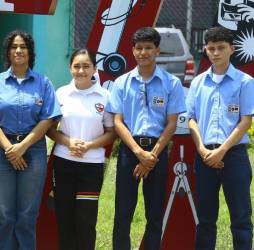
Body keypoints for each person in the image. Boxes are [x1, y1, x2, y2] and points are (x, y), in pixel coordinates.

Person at [0, 30, 61, 250]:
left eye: (23, 46)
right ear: (8, 52)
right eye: (14, 47)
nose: (19, 51)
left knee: (27, 213)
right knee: (4, 213)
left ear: (30, 52)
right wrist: (9, 148)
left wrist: (22, 147)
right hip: (1, 151)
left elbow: (48, 118)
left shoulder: (43, 83)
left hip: (33, 151)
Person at [105, 27, 186, 250]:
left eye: (148, 48)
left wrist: (151, 156)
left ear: (157, 50)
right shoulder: (122, 82)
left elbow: (171, 123)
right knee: (123, 212)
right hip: (130, 151)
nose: (143, 52)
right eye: (139, 48)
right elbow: (118, 122)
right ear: (132, 51)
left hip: (157, 153)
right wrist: (139, 154)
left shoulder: (171, 83)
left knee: (155, 213)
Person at [186, 26, 254, 250]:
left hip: (233, 156)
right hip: (204, 157)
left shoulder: (245, 82)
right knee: (205, 219)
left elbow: (245, 121)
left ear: (232, 49)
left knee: (241, 218)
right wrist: (202, 149)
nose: (216, 53)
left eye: (221, 48)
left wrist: (221, 151)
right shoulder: (198, 82)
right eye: (211, 48)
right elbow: (191, 119)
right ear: (205, 49)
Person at [47, 48, 115, 250]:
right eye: (76, 66)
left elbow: (112, 132)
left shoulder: (105, 96)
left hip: (91, 166)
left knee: (86, 221)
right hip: (63, 163)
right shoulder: (61, 93)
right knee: (65, 219)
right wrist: (68, 143)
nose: (81, 71)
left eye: (86, 66)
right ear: (70, 68)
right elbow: (49, 129)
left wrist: (89, 146)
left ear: (94, 68)